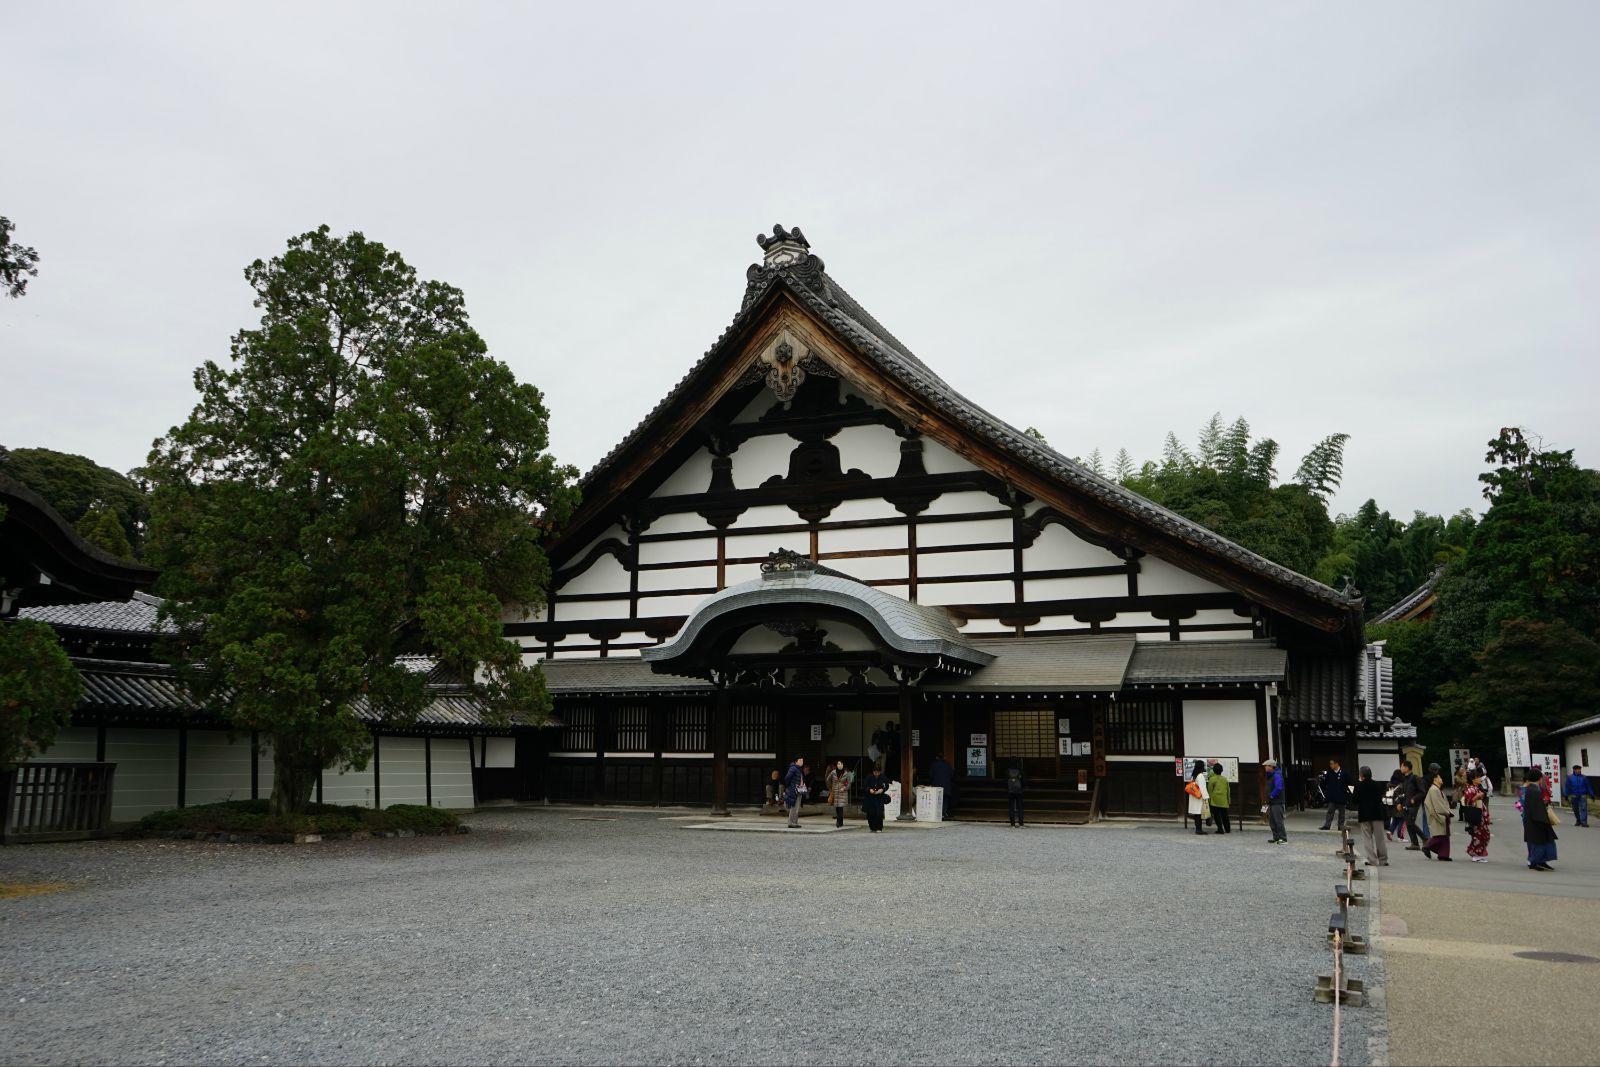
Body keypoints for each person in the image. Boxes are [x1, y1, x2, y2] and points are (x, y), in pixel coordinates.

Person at [1522, 766, 1558, 871]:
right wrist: (1542, 820)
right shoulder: (1534, 790)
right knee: (1539, 842)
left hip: (1533, 819)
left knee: (1542, 842)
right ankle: (1536, 862)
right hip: (1537, 820)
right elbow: (1536, 808)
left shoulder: (1531, 788)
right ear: (1539, 778)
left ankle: (1541, 861)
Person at [1352, 765, 1389, 866]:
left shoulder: (1358, 785)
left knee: (1367, 838)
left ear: (1361, 775)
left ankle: (1372, 860)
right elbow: (1380, 797)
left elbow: (1354, 800)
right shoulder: (1377, 785)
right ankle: (1383, 860)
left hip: (1364, 814)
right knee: (1380, 838)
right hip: (1377, 813)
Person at [1422, 768, 1453, 860]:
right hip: (1438, 815)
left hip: (1439, 815)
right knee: (1440, 835)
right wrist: (1447, 812)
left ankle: (1443, 855)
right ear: (1435, 779)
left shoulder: (1435, 789)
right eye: (1439, 777)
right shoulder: (1434, 790)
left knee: (1444, 836)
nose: (1441, 779)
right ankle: (1427, 846)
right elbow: (1438, 805)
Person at [1461, 775, 1491, 862]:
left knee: (1484, 835)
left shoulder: (1476, 788)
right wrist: (1476, 797)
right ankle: (1477, 855)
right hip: (1476, 816)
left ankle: (1473, 851)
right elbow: (1467, 802)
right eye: (1478, 778)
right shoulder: (1470, 789)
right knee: (1479, 836)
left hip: (1481, 815)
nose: (1480, 779)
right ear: (1473, 780)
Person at [1318, 759, 1351, 831]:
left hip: (1342, 796)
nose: (1330, 765)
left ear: (1336, 764)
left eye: (1332, 764)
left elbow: (1349, 782)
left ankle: (1340, 826)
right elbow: (1324, 783)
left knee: (1342, 813)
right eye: (1330, 764)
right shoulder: (1329, 773)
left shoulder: (1344, 772)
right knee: (1330, 812)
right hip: (1332, 797)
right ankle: (1327, 825)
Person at [1400, 760, 1426, 850]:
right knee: (1408, 824)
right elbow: (1404, 794)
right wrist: (1400, 803)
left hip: (1413, 805)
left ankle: (1424, 838)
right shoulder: (1405, 779)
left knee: (1410, 823)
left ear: (1407, 768)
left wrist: (1413, 799)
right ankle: (1415, 843)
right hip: (1406, 805)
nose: (1401, 768)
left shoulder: (1415, 778)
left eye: (1402, 766)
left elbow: (1422, 792)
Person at [860, 765, 890, 832]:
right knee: (870, 814)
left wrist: (882, 789)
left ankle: (879, 828)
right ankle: (872, 828)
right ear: (873, 772)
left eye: (878, 772)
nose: (876, 774)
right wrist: (869, 789)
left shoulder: (883, 777)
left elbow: (886, 785)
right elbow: (864, 786)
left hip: (879, 798)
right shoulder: (869, 777)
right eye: (875, 772)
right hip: (870, 798)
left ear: (880, 772)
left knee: (879, 814)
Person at [1263, 759, 1287, 844]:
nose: (1265, 767)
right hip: (1271, 802)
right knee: (1272, 821)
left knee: (1278, 821)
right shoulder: (1270, 775)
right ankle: (1276, 837)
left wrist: (1271, 795)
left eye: (1266, 766)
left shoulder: (1277, 775)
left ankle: (1283, 838)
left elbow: (1278, 787)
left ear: (1271, 767)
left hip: (1277, 802)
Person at [1185, 759, 1210, 835]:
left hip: (1194, 796)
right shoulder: (1201, 776)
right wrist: (1206, 797)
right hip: (1199, 797)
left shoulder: (1194, 775)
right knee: (1199, 813)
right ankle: (1199, 830)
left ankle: (1197, 828)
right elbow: (1203, 788)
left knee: (1197, 813)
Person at [928, 752, 956, 819]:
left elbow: (930, 775)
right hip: (946, 786)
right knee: (945, 801)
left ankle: (937, 814)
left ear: (936, 757)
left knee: (937, 801)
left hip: (936, 787)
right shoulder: (948, 765)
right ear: (944, 757)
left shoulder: (933, 765)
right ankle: (943, 814)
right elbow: (952, 775)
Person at [783, 755, 807, 829]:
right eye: (800, 761)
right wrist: (790, 786)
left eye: (802, 761)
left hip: (799, 790)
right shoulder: (793, 768)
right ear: (796, 761)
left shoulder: (798, 769)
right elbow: (787, 778)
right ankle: (791, 823)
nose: (802, 762)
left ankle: (795, 822)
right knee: (794, 807)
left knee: (796, 807)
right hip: (794, 790)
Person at [1207, 762, 1232, 834]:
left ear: (1213, 770)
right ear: (1222, 770)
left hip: (1215, 800)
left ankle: (1220, 829)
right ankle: (1227, 829)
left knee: (1216, 815)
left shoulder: (1212, 779)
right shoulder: (1225, 779)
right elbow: (1228, 790)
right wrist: (1228, 799)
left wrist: (1209, 800)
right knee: (1225, 815)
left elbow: (1210, 791)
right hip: (1224, 800)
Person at [826, 760, 851, 829]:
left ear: (843, 765)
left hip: (842, 792)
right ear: (837, 765)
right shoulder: (833, 772)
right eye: (838, 764)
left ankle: (838, 822)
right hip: (835, 792)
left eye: (841, 764)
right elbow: (828, 779)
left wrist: (845, 788)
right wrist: (831, 787)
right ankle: (840, 822)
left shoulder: (846, 773)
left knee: (840, 807)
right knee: (837, 807)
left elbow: (849, 784)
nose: (840, 765)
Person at [1385, 768, 1407, 840]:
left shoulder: (1389, 784)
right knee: (1402, 820)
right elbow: (1401, 796)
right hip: (1399, 804)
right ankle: (1400, 837)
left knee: (1395, 819)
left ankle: (1390, 831)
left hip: (1391, 804)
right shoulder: (1401, 785)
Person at [1006, 760, 1025, 827]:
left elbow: (1005, 781)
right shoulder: (1020, 770)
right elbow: (1023, 780)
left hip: (1010, 791)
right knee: (1020, 807)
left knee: (1011, 807)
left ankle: (1012, 823)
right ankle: (1021, 823)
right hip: (1019, 791)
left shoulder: (1008, 771)